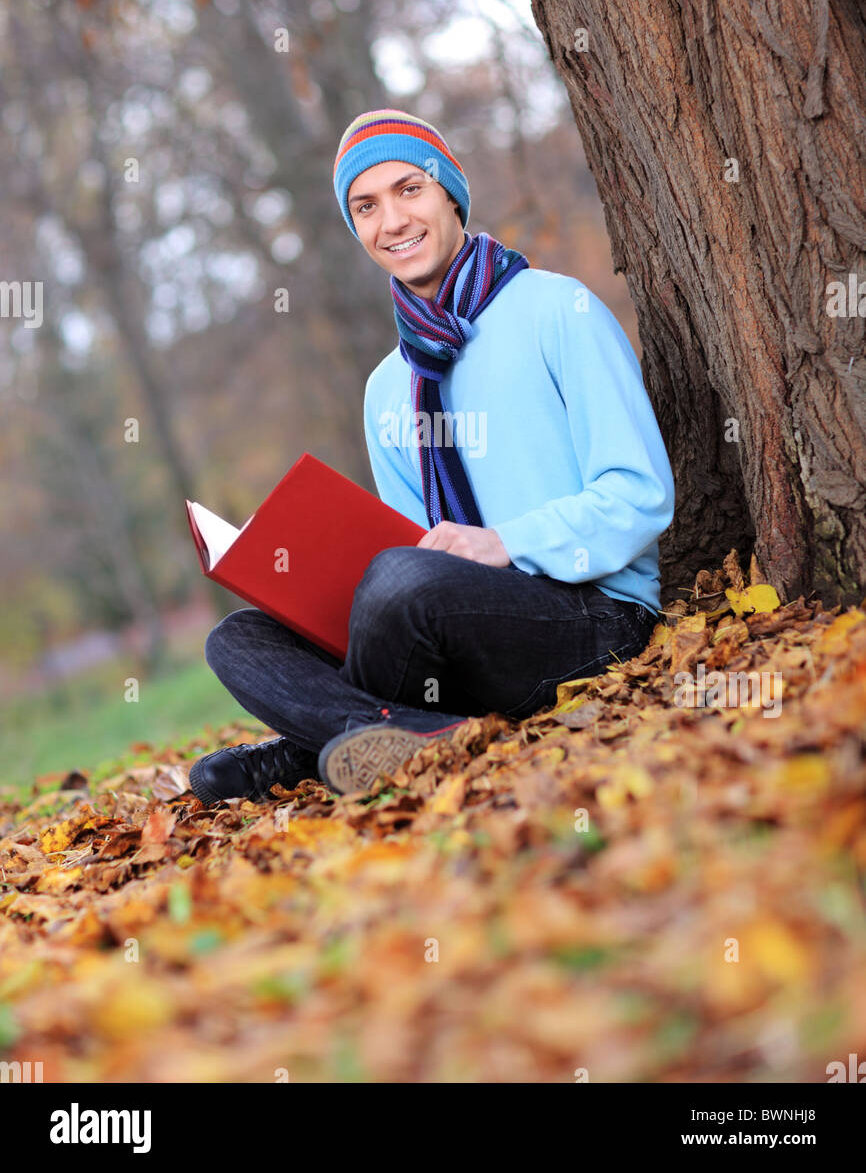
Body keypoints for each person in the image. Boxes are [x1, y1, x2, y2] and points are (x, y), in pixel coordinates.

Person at [189, 109, 675, 804]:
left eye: (408, 189)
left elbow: (641, 493)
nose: (392, 221)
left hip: (593, 616)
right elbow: (411, 550)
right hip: (453, 633)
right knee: (236, 639)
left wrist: (505, 542)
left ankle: (311, 746)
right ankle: (421, 735)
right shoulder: (387, 387)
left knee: (400, 581)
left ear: (450, 194)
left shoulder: (555, 311)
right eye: (366, 206)